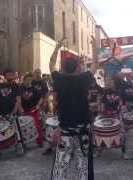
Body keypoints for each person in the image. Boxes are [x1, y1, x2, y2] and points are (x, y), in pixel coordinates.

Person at [50, 40, 94, 180]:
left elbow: (51, 64)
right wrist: (96, 50)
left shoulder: (59, 79)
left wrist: (57, 47)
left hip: (65, 130)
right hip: (82, 130)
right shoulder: (83, 79)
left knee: (61, 164)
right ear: (77, 68)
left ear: (63, 68)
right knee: (82, 165)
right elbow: (95, 66)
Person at [20, 73, 45, 147]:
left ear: (31, 80)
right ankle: (24, 143)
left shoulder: (34, 89)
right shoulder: (20, 89)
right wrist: (20, 108)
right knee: (23, 128)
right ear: (23, 81)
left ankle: (40, 142)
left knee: (36, 126)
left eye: (29, 80)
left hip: (33, 110)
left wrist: (38, 105)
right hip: (24, 110)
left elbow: (41, 97)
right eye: (26, 80)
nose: (28, 81)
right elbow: (18, 99)